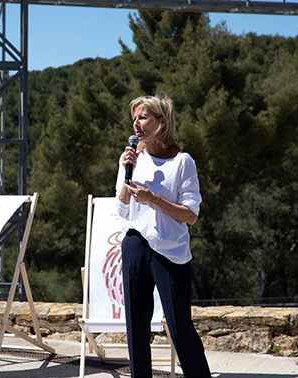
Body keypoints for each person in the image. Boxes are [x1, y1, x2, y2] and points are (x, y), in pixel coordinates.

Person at [114, 94, 211, 378]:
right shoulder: (132, 159)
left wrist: (153, 199)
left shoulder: (183, 162)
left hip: (170, 251)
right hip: (134, 244)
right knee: (136, 327)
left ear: (162, 121)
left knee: (180, 327)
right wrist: (125, 173)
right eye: (134, 119)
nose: (137, 124)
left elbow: (190, 215)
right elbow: (122, 209)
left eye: (143, 117)